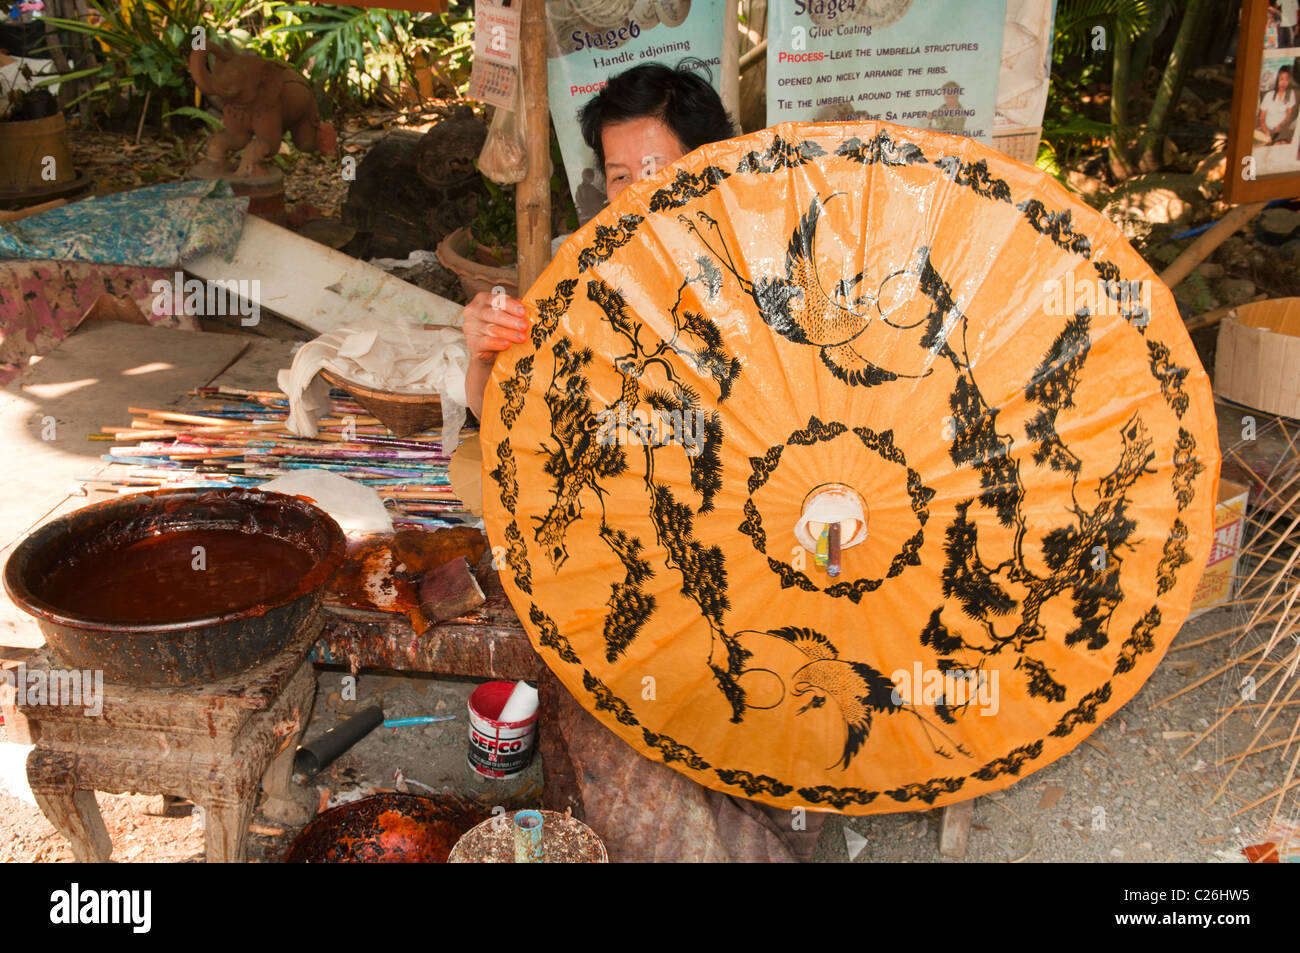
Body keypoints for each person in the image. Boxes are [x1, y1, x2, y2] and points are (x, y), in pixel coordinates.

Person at [458, 64, 829, 862]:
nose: (633, 197)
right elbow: (509, 430)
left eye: (656, 173)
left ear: (711, 165)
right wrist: (482, 358)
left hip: (762, 573)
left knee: (764, 703)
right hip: (633, 565)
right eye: (618, 176)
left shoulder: (772, 279)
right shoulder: (582, 283)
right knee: (610, 708)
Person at [1258, 66, 1298, 144]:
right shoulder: (1269, 95)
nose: (1283, 83)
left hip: (1283, 129)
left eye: (1286, 80)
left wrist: (1281, 125)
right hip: (1268, 130)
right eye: (1281, 79)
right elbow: (1262, 118)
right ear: (1277, 79)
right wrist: (1266, 130)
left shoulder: (1291, 94)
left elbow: (1289, 114)